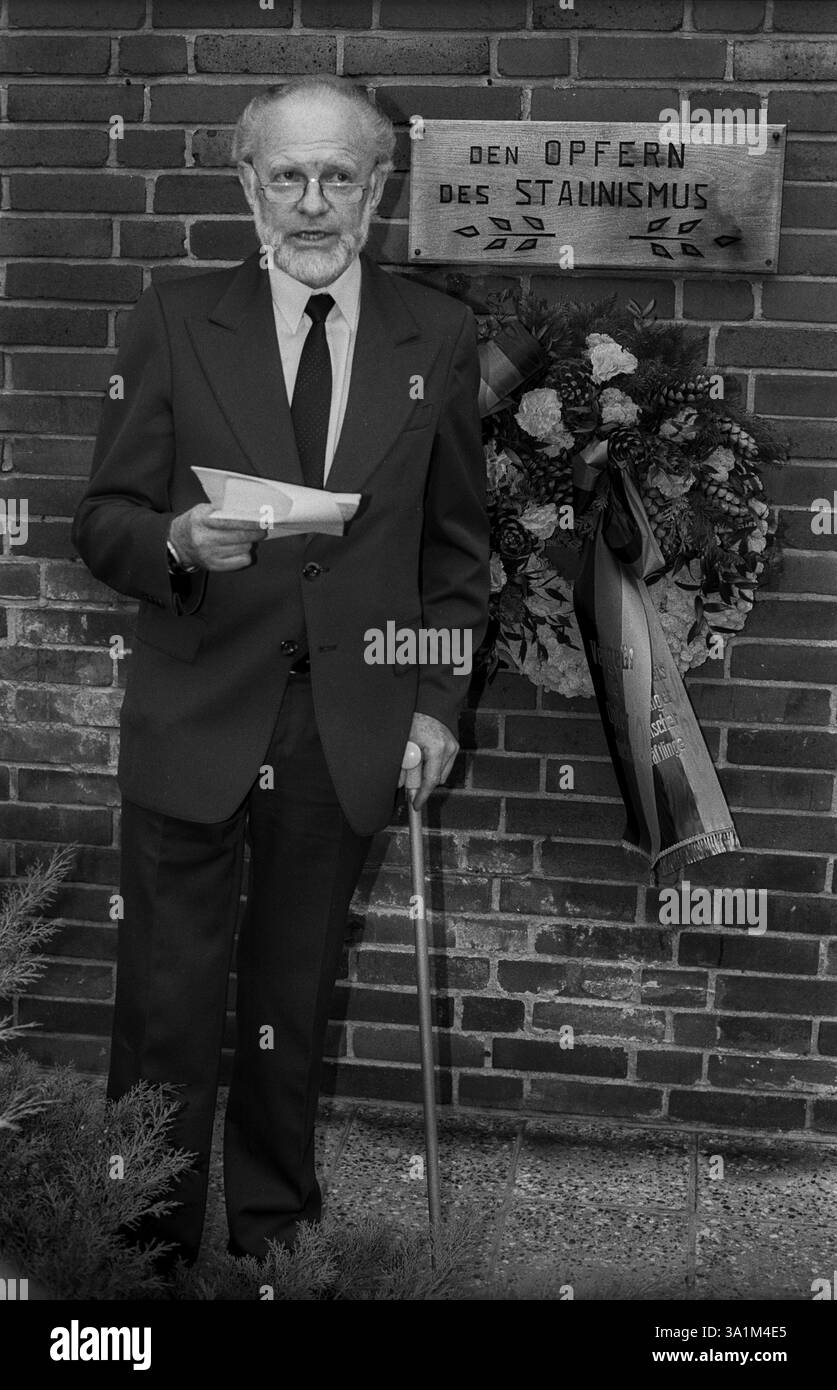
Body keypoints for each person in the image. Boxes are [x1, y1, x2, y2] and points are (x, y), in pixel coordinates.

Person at [71, 74, 489, 1269]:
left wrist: (434, 702)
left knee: (288, 999)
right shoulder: (172, 316)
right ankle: (137, 1246)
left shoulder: (437, 335)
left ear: (378, 188)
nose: (313, 203)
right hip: (196, 711)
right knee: (165, 997)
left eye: (339, 176)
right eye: (288, 176)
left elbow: (458, 555)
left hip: (346, 723)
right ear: (249, 186)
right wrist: (171, 544)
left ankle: (269, 1237)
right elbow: (101, 517)